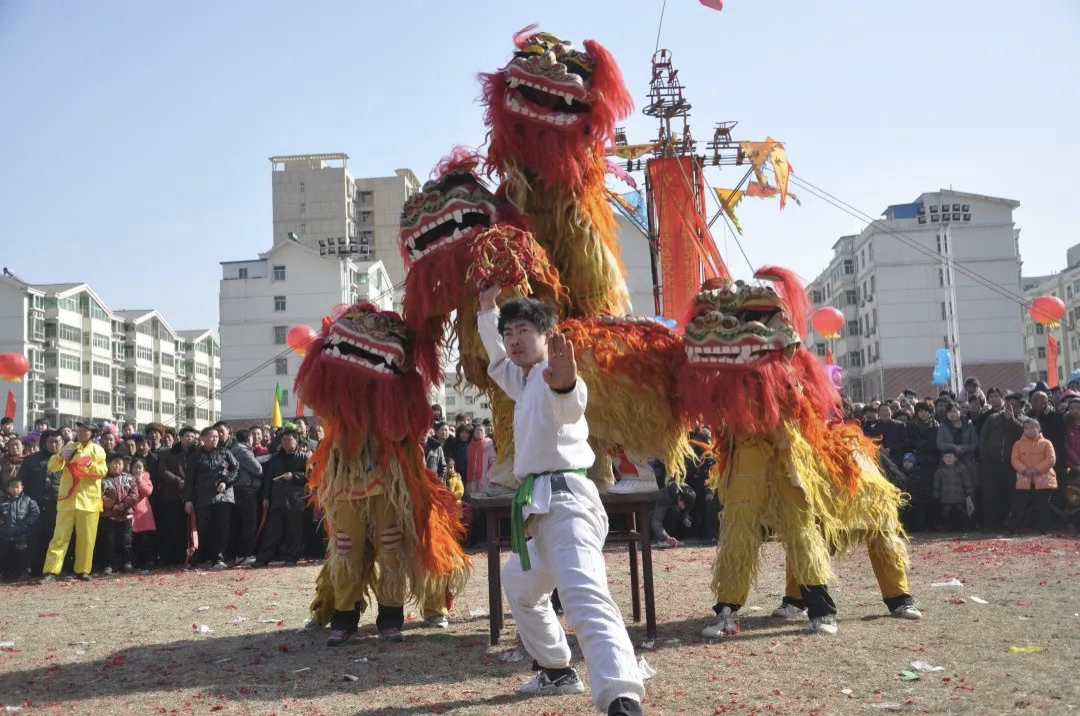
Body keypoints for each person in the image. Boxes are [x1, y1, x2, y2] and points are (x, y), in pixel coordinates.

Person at [477, 286, 645, 716]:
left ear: (548, 334)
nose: (514, 339)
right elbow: (498, 361)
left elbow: (569, 404)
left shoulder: (553, 376)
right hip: (543, 508)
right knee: (519, 584)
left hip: (567, 504)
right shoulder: (527, 378)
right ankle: (556, 670)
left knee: (583, 595)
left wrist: (567, 384)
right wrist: (485, 310)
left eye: (524, 330)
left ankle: (622, 697)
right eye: (508, 331)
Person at [40, 422, 108, 582]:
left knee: (87, 537)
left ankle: (83, 570)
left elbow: (103, 471)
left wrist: (90, 464)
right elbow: (52, 466)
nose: (82, 432)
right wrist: (60, 456)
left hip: (89, 500)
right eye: (81, 429)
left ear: (93, 433)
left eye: (86, 430)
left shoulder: (98, 450)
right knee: (59, 536)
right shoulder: (70, 446)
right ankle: (51, 571)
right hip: (67, 499)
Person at [183, 426, 239, 569]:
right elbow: (189, 480)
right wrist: (188, 499)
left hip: (224, 496)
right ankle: (203, 556)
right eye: (212, 436)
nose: (215, 439)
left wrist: (225, 482)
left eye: (216, 436)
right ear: (203, 438)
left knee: (222, 528)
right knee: (204, 528)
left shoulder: (225, 452)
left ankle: (219, 558)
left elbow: (236, 469)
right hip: (204, 497)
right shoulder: (195, 457)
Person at [254, 428, 308, 566]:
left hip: (296, 499)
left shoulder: (303, 457)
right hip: (278, 497)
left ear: (296, 441)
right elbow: (268, 478)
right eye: (283, 440)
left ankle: (292, 557)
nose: (286, 443)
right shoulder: (276, 458)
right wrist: (266, 497)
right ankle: (264, 558)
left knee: (294, 530)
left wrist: (294, 476)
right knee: (273, 530)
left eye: (289, 440)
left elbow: (310, 477)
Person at [18, 430, 64, 576]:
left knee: (53, 539)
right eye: (51, 441)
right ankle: (30, 569)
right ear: (45, 442)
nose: (54, 445)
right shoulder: (31, 460)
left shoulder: (66, 461)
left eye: (57, 442)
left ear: (62, 443)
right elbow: (21, 483)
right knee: (34, 539)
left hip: (57, 507)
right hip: (35, 506)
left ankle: (52, 570)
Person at [978, 392, 1025, 531]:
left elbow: (1024, 435)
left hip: (1012, 464)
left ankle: (1009, 525)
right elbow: (983, 438)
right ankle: (990, 526)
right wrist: (985, 457)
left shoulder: (1023, 420)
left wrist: (1011, 420)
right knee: (991, 496)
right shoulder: (992, 418)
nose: (1011, 408)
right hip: (992, 463)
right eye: (1009, 405)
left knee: (1009, 496)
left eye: (1015, 406)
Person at [1006, 417, 1057, 534]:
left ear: (1038, 428)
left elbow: (1051, 459)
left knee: (1043, 505)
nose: (1029, 430)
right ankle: (1011, 529)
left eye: (1032, 428)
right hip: (1025, 478)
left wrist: (1036, 470)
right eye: (1026, 428)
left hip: (1043, 479)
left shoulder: (1046, 443)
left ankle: (1044, 529)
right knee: (1019, 505)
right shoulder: (1018, 444)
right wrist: (1024, 471)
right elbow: (1014, 460)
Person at [156, 426, 195, 565]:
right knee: (173, 528)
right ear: (180, 437)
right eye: (187, 436)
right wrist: (179, 481)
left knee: (191, 529)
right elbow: (163, 470)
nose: (189, 439)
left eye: (192, 436)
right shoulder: (167, 452)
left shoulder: (197, 452)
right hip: (173, 495)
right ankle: (173, 558)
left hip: (193, 496)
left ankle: (192, 557)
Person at [97, 452, 138, 574]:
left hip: (126, 515)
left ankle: (127, 563)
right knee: (109, 542)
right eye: (114, 463)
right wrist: (113, 505)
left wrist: (123, 505)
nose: (117, 466)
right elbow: (100, 495)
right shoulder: (102, 480)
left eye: (119, 464)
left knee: (126, 542)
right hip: (108, 516)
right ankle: (108, 565)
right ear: (108, 464)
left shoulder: (130, 478)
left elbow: (134, 495)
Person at [229, 428, 264, 565]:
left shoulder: (233, 449)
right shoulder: (243, 451)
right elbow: (257, 469)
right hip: (247, 490)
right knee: (250, 524)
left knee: (241, 523)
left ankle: (239, 553)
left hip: (238, 489)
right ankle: (243, 555)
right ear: (248, 438)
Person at [0, 477, 40, 581]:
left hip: (22, 535)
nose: (15, 490)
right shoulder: (2, 501)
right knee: (4, 555)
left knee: (23, 556)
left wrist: (26, 524)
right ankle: (5, 574)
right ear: (8, 488)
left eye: (17, 487)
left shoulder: (28, 500)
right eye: (12, 487)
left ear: (22, 488)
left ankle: (24, 573)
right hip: (5, 535)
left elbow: (35, 513)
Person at [932, 448, 975, 531]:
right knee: (945, 514)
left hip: (960, 498)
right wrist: (936, 493)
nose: (948, 459)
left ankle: (967, 527)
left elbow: (967, 482)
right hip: (945, 499)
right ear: (942, 459)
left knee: (963, 514)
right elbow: (936, 485)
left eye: (950, 457)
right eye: (946, 457)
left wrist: (970, 493)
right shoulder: (940, 471)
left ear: (956, 458)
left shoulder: (962, 469)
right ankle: (944, 527)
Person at [130, 455, 156, 573]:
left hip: (143, 514)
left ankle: (148, 562)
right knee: (133, 541)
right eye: (135, 467)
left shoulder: (146, 478)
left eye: (140, 467)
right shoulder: (127, 478)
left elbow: (147, 492)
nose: (137, 470)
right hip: (131, 512)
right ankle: (135, 562)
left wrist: (140, 480)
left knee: (146, 540)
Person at [650, 480, 696, 548]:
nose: (683, 507)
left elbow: (686, 508)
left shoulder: (689, 493)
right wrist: (665, 537)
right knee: (673, 512)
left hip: (672, 510)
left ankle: (674, 538)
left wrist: (685, 517)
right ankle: (662, 540)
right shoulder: (665, 495)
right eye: (682, 504)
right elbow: (656, 520)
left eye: (685, 506)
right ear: (679, 497)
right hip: (654, 514)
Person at [466, 424, 496, 497]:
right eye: (477, 430)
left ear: (485, 433)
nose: (478, 432)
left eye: (481, 430)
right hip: (472, 480)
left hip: (484, 480)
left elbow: (494, 462)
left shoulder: (488, 445)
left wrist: (487, 475)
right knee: (473, 503)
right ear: (473, 433)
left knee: (484, 502)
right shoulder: (470, 446)